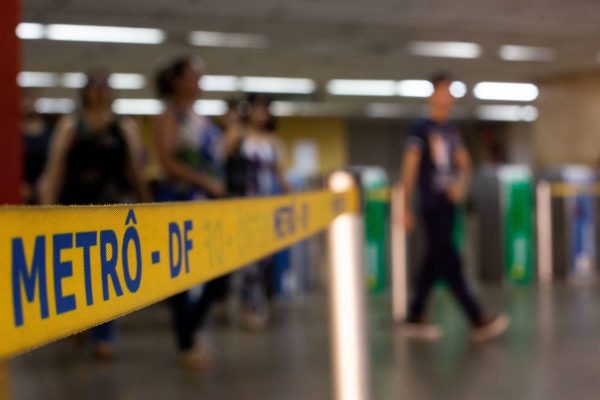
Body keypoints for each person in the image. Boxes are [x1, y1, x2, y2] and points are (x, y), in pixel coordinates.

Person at [38, 70, 150, 358]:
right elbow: (55, 170)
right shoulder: (70, 126)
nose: (101, 92)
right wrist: (45, 210)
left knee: (108, 271)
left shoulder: (124, 128)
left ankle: (104, 335)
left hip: (110, 207)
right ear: (85, 92)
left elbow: (136, 171)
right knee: (75, 270)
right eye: (95, 87)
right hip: (74, 205)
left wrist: (146, 205)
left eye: (105, 87)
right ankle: (77, 322)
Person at [399, 72, 510, 341]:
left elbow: (465, 163)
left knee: (434, 259)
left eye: (451, 91)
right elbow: (410, 168)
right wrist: (404, 205)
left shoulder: (451, 129)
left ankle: (414, 315)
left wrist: (461, 184)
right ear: (432, 94)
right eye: (444, 90)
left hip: (449, 205)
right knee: (449, 260)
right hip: (431, 202)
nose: (448, 96)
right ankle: (476, 318)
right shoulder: (421, 128)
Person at [154, 55, 227, 369]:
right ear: (177, 81)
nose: (199, 82)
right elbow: (167, 161)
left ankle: (192, 331)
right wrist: (203, 181)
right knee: (183, 274)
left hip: (208, 203)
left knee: (217, 271)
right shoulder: (169, 117)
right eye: (193, 76)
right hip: (183, 200)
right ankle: (186, 340)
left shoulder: (200, 118)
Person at [224, 93, 291, 330]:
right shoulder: (238, 135)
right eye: (259, 109)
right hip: (244, 203)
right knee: (248, 256)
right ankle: (248, 303)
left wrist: (292, 199)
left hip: (267, 204)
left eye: (266, 110)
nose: (263, 115)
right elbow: (222, 160)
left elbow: (281, 175)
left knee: (264, 257)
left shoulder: (273, 140)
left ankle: (256, 299)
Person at [21, 91, 53, 204]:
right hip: (22, 188)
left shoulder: (50, 133)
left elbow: (54, 160)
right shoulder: (13, 135)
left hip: (45, 185)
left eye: (31, 101)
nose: (28, 104)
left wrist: (47, 181)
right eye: (25, 101)